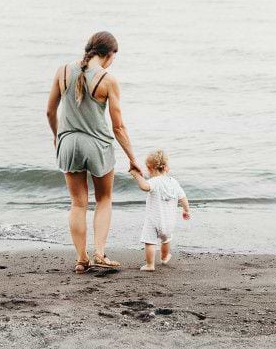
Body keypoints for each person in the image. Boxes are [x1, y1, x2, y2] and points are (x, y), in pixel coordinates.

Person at [46, 31, 144, 273]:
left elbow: (50, 112)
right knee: (104, 199)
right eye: (113, 57)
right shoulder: (108, 80)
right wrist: (133, 159)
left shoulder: (63, 71)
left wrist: (58, 137)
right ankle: (100, 252)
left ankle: (82, 259)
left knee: (78, 204)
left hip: (68, 143)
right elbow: (118, 126)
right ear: (108, 55)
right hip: (97, 145)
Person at [129, 149, 191, 272]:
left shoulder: (154, 182)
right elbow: (183, 197)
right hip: (169, 222)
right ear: (166, 167)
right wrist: (186, 210)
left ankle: (150, 264)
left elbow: (144, 187)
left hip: (153, 220)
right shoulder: (174, 182)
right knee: (166, 240)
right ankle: (164, 256)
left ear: (149, 168)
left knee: (150, 242)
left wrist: (136, 175)